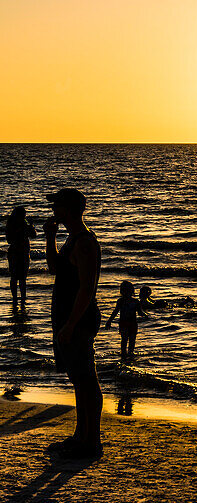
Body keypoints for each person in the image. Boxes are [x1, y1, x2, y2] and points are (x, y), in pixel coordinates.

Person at [45, 187, 103, 460]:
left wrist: (70, 324)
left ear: (68, 209)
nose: (53, 210)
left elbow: (87, 289)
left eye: (56, 206)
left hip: (78, 319)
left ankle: (91, 441)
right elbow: (55, 268)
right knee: (78, 380)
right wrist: (50, 237)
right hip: (68, 318)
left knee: (86, 380)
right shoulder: (71, 239)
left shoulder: (84, 242)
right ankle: (81, 436)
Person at [104, 280, 146, 362]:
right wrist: (109, 321)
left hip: (133, 323)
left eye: (128, 290)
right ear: (122, 291)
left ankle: (130, 354)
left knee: (132, 340)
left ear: (132, 291)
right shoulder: (120, 301)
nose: (126, 293)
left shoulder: (136, 302)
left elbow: (140, 312)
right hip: (124, 323)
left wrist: (145, 315)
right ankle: (124, 355)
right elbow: (115, 312)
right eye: (125, 291)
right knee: (124, 340)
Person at [6, 206, 35, 307]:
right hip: (15, 252)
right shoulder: (12, 224)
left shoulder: (24, 223)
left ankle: (22, 298)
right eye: (23, 214)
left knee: (22, 277)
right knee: (15, 277)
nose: (24, 216)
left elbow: (34, 235)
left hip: (23, 253)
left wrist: (30, 225)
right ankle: (15, 298)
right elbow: (9, 239)